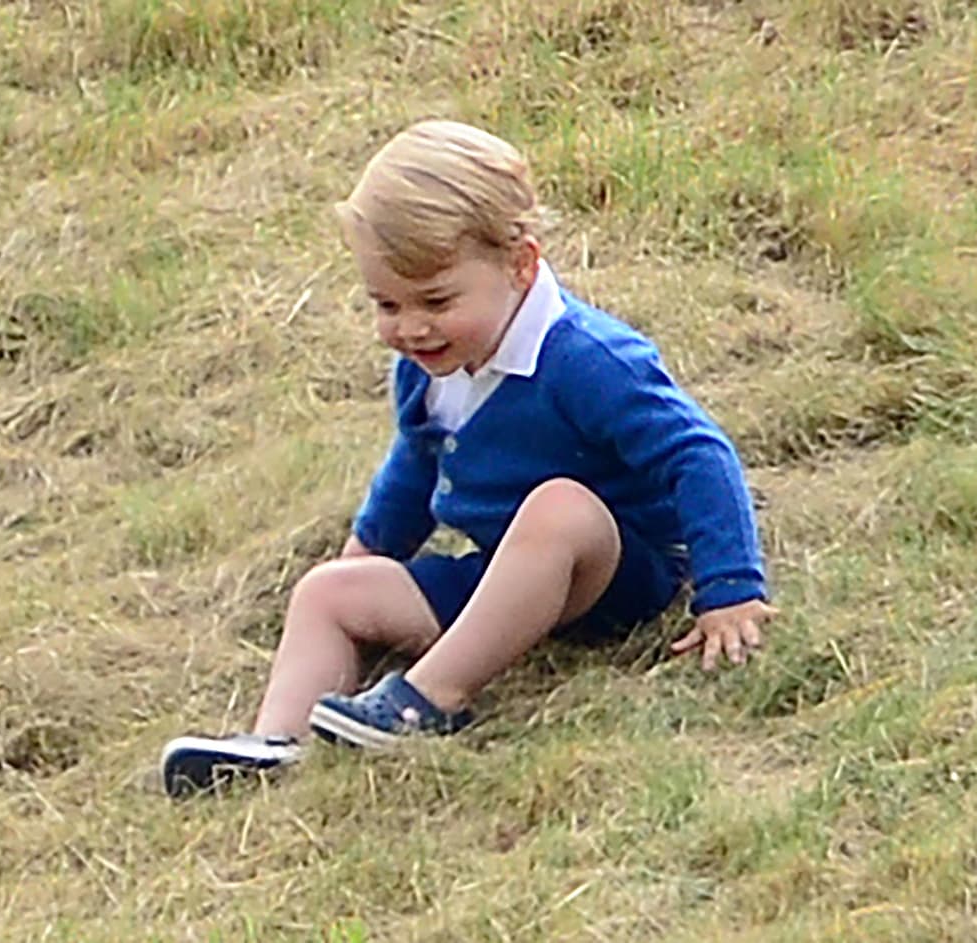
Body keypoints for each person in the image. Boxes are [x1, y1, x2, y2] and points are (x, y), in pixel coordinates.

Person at [160, 120, 777, 796]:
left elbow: (698, 452)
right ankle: (278, 744)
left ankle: (431, 698)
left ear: (521, 265)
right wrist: (363, 560)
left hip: (619, 575)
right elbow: (414, 469)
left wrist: (730, 591)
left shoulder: (586, 358)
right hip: (501, 586)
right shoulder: (428, 367)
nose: (411, 327)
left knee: (559, 507)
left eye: (436, 301)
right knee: (326, 589)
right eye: (386, 303)